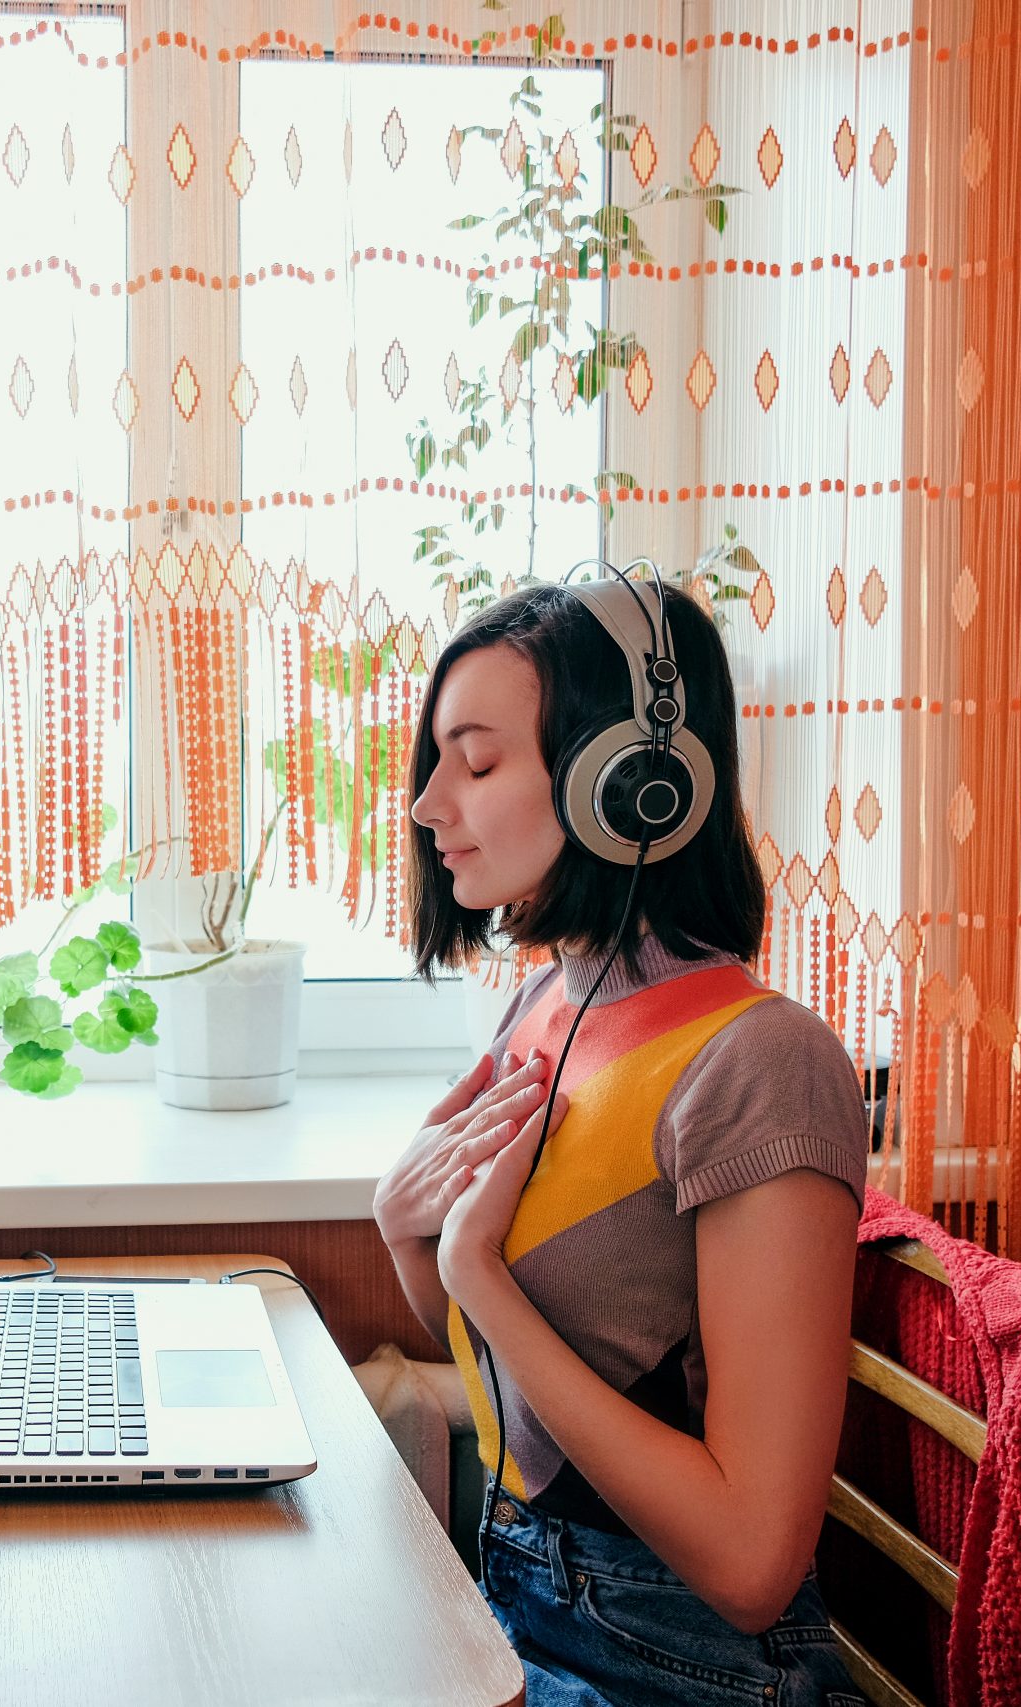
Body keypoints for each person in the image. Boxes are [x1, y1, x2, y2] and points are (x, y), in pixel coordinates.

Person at [378, 577, 869, 1707]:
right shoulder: (546, 1006)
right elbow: (532, 1372)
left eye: (480, 760)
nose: (427, 803)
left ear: (631, 786)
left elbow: (752, 1564)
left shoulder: (763, 1066)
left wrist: (474, 1275)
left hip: (679, 1668)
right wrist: (409, 1237)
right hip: (518, 1610)